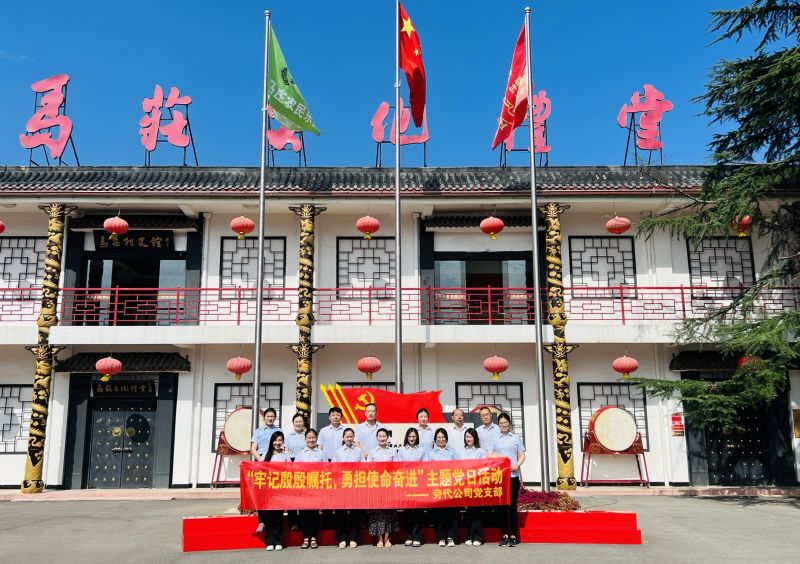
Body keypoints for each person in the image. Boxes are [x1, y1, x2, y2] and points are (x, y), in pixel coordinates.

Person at [492, 412, 526, 547]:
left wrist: (517, 464)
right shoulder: (495, 439)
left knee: (512, 506)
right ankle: (504, 534)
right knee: (502, 507)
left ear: (509, 424)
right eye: (501, 423)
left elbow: (522, 455)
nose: (504, 425)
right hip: (500, 477)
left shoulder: (516, 438)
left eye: (505, 422)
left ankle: (513, 534)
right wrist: (502, 457)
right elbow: (489, 455)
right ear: (498, 425)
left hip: (513, 476)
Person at [255, 431, 292, 551]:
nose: (277, 443)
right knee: (269, 517)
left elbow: (291, 470)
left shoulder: (285, 456)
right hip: (268, 491)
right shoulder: (266, 454)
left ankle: (279, 541)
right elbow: (258, 469)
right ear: (272, 442)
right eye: (275, 440)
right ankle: (270, 541)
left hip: (280, 490)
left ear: (283, 442)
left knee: (278, 516)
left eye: (280, 440)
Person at [425, 428, 458, 547]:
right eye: (438, 437)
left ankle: (450, 537)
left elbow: (458, 468)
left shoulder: (452, 452)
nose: (441, 439)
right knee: (438, 512)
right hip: (436, 486)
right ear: (435, 439)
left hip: (450, 485)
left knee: (451, 512)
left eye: (443, 437)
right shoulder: (430, 453)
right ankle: (441, 537)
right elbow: (427, 468)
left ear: (446, 439)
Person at [331, 427, 364, 548]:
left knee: (355, 512)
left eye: (351, 436)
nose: (349, 438)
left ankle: (354, 538)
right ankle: (342, 539)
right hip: (342, 486)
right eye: (347, 436)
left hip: (355, 485)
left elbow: (363, 467)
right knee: (341, 513)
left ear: (354, 437)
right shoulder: (338, 452)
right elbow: (333, 469)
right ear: (343, 438)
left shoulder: (358, 452)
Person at [367, 428, 399, 548]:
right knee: (377, 512)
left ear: (387, 438)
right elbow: (368, 469)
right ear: (377, 438)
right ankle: (379, 539)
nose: (382, 438)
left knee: (389, 512)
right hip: (376, 486)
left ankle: (387, 539)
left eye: (384, 436)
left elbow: (397, 468)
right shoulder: (372, 452)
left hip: (389, 485)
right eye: (380, 436)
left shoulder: (393, 452)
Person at [294, 428, 325, 549]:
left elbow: (326, 470)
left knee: (314, 514)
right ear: (305, 439)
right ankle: (305, 537)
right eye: (309, 438)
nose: (311, 440)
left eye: (313, 438)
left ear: (316, 439)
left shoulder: (321, 453)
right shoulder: (300, 454)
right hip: (303, 488)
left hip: (316, 488)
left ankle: (313, 537)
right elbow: (295, 471)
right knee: (303, 514)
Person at [395, 428, 425, 547]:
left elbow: (426, 466)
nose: (411, 439)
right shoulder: (401, 450)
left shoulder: (422, 450)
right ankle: (409, 536)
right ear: (406, 438)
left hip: (419, 483)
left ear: (417, 437)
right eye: (409, 437)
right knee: (408, 511)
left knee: (418, 511)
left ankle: (417, 537)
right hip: (406, 483)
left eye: (413, 436)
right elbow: (398, 467)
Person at [459, 428, 487, 547]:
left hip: (477, 485)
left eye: (470, 437)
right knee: (468, 512)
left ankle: (478, 537)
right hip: (465, 485)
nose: (468, 439)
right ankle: (469, 536)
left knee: (477, 512)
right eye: (466, 437)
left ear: (474, 438)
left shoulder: (480, 451)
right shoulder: (461, 451)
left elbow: (484, 467)